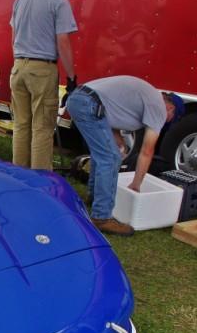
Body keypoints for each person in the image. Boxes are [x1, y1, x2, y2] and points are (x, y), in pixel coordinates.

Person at [65, 75, 185, 236]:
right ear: (171, 109)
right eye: (169, 120)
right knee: (110, 158)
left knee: (102, 154)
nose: (164, 122)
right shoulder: (159, 108)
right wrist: (136, 184)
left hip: (79, 98)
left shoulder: (149, 95)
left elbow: (108, 107)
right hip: (89, 103)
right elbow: (147, 151)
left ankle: (94, 198)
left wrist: (117, 136)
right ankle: (102, 217)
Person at [10, 0, 79, 171]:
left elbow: (13, 36)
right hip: (42, 69)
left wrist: (19, 57)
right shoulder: (59, 1)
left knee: (21, 125)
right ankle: (40, 183)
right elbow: (63, 41)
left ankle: (19, 175)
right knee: (42, 127)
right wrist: (71, 76)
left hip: (18, 67)